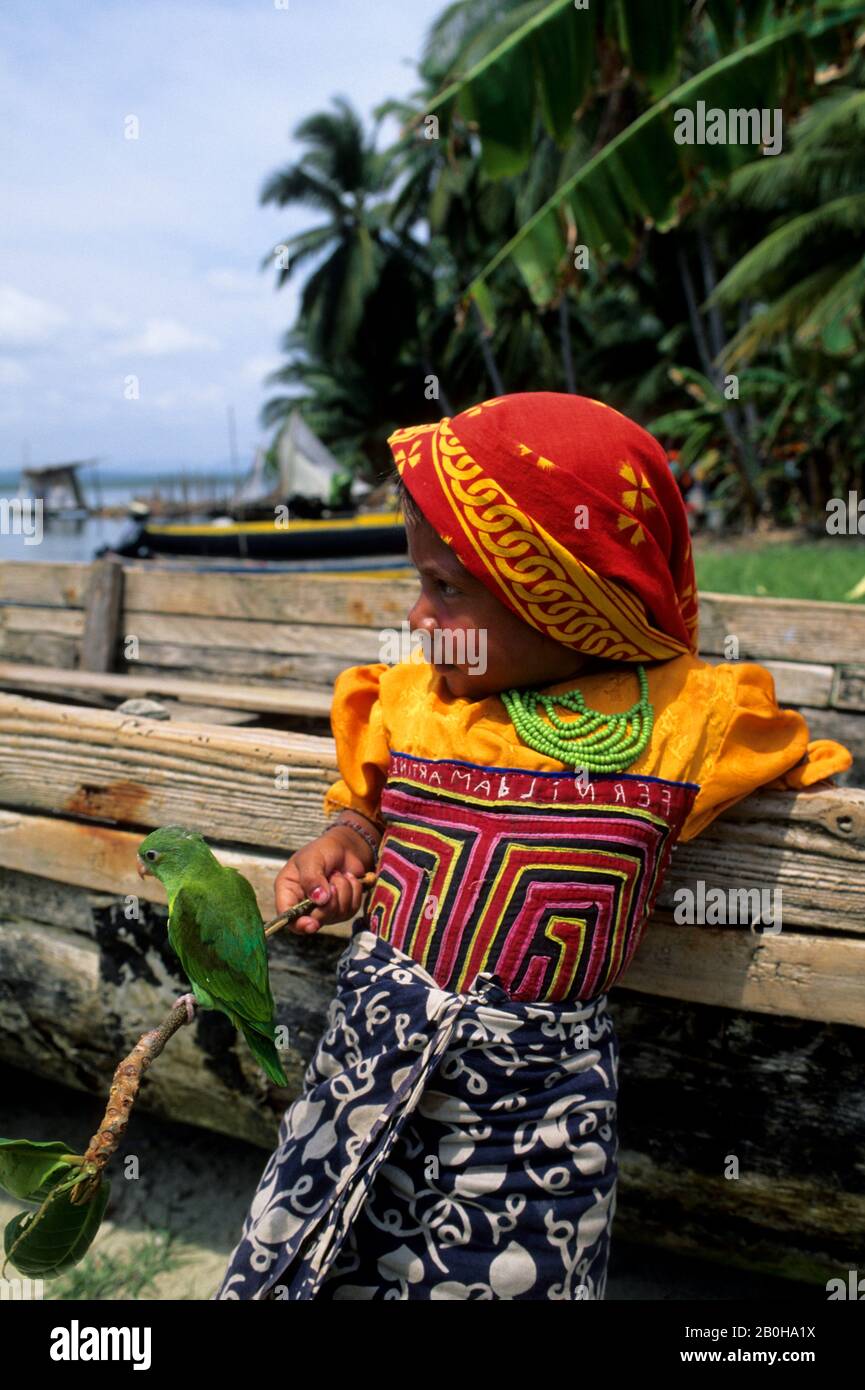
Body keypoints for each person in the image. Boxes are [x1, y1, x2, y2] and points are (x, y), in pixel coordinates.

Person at [214, 392, 851, 1301]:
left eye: (444, 588)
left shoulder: (687, 724)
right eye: (419, 583)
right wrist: (347, 837)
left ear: (560, 595)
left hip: (532, 1114)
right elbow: (366, 801)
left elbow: (808, 770)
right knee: (309, 1255)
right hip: (364, 1062)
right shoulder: (413, 701)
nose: (419, 617)